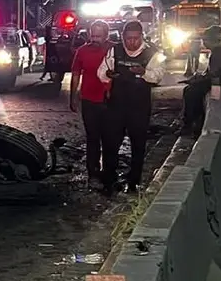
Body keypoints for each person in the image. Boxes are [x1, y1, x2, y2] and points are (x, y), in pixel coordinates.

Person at [97, 20, 166, 194]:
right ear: (123, 37)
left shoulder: (154, 53)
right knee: (111, 142)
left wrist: (144, 73)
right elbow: (101, 72)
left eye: (135, 38)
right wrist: (108, 74)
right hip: (116, 105)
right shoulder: (115, 50)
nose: (132, 42)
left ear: (141, 36)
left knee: (138, 144)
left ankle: (134, 181)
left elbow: (158, 76)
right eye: (128, 39)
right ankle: (109, 179)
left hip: (139, 106)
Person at [69, 20, 114, 186]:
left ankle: (109, 172)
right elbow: (75, 74)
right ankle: (93, 174)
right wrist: (73, 97)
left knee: (110, 138)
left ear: (106, 35)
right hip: (89, 101)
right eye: (93, 35)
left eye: (99, 36)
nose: (95, 39)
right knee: (93, 138)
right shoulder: (82, 51)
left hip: (110, 101)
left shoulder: (114, 50)